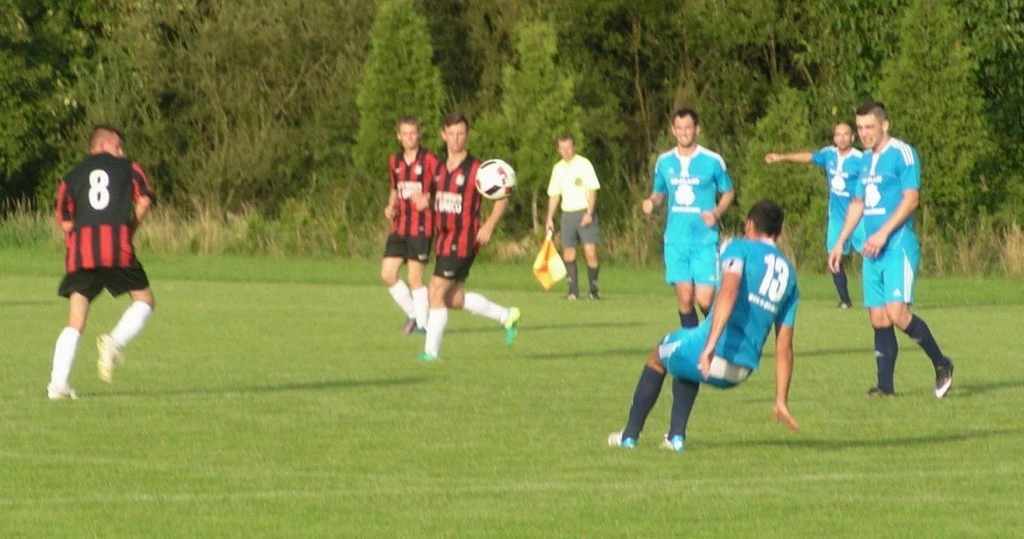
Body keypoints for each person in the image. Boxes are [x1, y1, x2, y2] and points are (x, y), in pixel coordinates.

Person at [608, 199, 800, 451]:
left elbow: (729, 291)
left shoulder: (738, 247)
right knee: (684, 354)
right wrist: (781, 400)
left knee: (658, 356)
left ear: (749, 224)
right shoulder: (790, 275)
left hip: (715, 354)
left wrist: (709, 347)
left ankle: (629, 436)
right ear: (779, 232)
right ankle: (675, 438)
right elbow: (784, 347)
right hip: (742, 370)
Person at [829, 102, 954, 398]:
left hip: (897, 246)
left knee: (898, 313)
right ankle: (885, 387)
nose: (864, 133)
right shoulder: (864, 160)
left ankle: (942, 363)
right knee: (878, 318)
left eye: (869, 127)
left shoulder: (902, 154)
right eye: (860, 128)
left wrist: (884, 233)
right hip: (872, 250)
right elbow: (857, 203)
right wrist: (840, 242)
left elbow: (911, 199)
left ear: (884, 125)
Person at [47, 125, 156, 400]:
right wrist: (130, 229)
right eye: (118, 146)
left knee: (75, 320)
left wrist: (77, 245)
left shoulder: (71, 176)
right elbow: (144, 201)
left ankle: (58, 385)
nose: (121, 151)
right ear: (103, 145)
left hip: (81, 252)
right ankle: (113, 342)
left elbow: (65, 221)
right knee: (145, 301)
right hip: (116, 248)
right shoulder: (129, 168)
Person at [417, 113, 521, 361]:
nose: (456, 138)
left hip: (463, 239)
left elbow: (503, 197)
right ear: (443, 135)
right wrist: (424, 201)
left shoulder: (478, 169)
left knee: (435, 291)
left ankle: (430, 353)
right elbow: (432, 196)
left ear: (467, 135)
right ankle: (506, 316)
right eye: (451, 133)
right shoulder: (437, 167)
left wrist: (489, 224)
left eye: (461, 133)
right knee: (452, 298)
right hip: (443, 239)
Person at [643, 108, 735, 329]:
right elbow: (659, 193)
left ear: (697, 129)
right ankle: (692, 342)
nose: (684, 132)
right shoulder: (664, 161)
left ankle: (721, 336)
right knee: (685, 298)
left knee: (704, 300)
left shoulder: (712, 160)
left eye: (688, 128)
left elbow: (728, 192)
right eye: (679, 128)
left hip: (704, 240)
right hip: (676, 240)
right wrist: (652, 202)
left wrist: (716, 213)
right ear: (673, 130)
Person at [764, 122, 864, 309]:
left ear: (852, 137)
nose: (842, 138)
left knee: (870, 253)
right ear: (834, 138)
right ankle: (845, 300)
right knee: (834, 257)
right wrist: (781, 157)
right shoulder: (829, 154)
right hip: (836, 217)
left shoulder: (861, 159)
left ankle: (881, 296)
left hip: (859, 217)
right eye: (838, 134)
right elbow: (808, 157)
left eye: (846, 134)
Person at [381, 116, 440, 334]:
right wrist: (391, 206)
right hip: (400, 226)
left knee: (415, 278)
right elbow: (395, 189)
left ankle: (423, 325)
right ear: (399, 136)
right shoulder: (394, 161)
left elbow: (444, 189)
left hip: (422, 227)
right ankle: (415, 314)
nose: (409, 137)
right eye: (405, 134)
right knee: (387, 274)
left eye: (413, 133)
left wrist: (428, 200)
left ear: (419, 134)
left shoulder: (430, 160)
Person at [544, 133, 601, 300]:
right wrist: (549, 218)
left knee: (590, 252)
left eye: (568, 147)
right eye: (562, 148)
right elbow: (554, 195)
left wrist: (589, 212)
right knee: (568, 253)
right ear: (558, 149)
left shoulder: (584, 164)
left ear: (574, 147)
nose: (566, 151)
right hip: (567, 214)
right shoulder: (558, 168)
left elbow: (593, 189)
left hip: (584, 212)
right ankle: (573, 291)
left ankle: (593, 290)